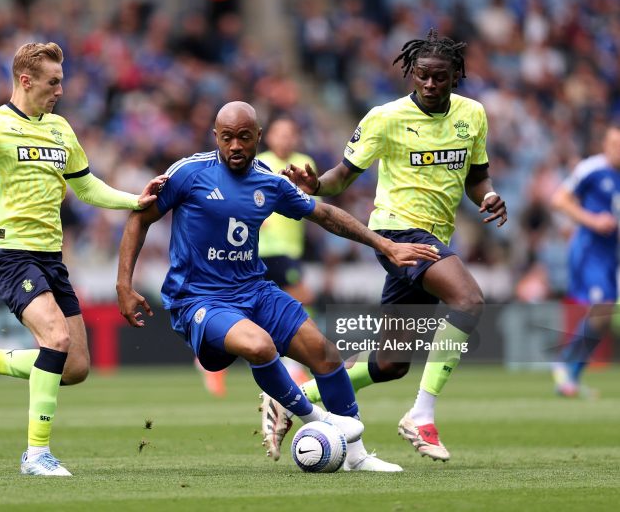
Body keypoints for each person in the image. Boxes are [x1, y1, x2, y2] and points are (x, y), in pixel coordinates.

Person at [116, 101, 440, 471]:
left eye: (243, 137)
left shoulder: (268, 182)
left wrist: (384, 244)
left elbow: (325, 214)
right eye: (226, 138)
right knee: (259, 344)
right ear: (215, 138)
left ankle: (356, 456)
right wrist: (123, 284)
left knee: (326, 355)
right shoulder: (190, 173)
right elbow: (139, 218)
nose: (235, 145)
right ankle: (316, 419)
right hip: (199, 298)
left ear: (257, 137)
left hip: (255, 290)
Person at [0, 42, 166, 477]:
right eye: (53, 81)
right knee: (55, 340)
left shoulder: (61, 129)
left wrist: (136, 198)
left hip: (51, 259)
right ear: (26, 80)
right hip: (10, 253)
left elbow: (88, 187)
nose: (61, 88)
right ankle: (36, 454)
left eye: (61, 80)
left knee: (75, 367)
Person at [282, 28, 507, 462]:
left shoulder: (473, 115)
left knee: (391, 363)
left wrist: (490, 197)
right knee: (469, 299)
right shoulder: (385, 118)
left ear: (455, 75)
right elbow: (342, 175)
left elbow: (477, 178)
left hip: (434, 239)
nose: (429, 84)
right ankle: (421, 416)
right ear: (411, 73)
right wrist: (316, 184)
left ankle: (294, 397)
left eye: (439, 77)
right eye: (422, 75)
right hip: (397, 234)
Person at [196, 117, 314, 397]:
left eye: (290, 134)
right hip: (266, 249)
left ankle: (217, 365)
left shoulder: (305, 162)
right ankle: (293, 366)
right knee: (297, 300)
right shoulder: (259, 162)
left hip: (291, 248)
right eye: (280, 133)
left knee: (267, 312)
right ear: (267, 137)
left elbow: (309, 202)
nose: (285, 139)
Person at [551, 123, 620, 398]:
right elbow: (559, 199)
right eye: (614, 144)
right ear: (604, 146)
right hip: (591, 250)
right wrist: (592, 220)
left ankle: (570, 375)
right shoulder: (592, 169)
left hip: (612, 254)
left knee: (603, 316)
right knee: (602, 307)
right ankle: (566, 365)